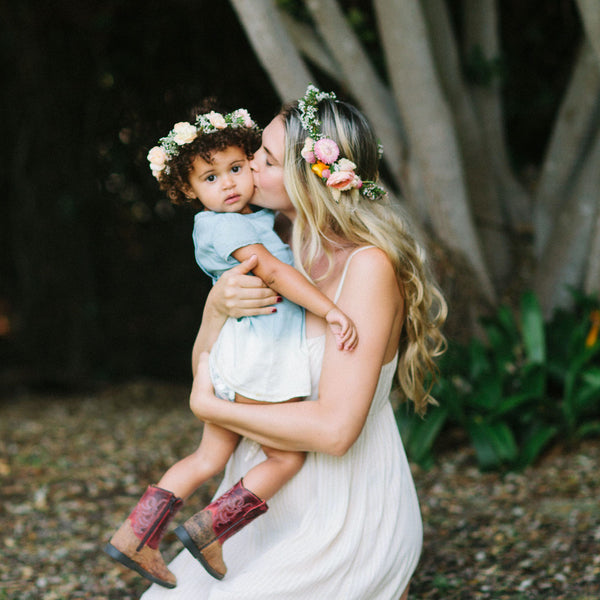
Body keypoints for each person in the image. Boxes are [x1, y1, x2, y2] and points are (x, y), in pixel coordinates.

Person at [140, 85, 447, 600]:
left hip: (340, 514)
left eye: (265, 159)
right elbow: (214, 366)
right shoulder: (274, 252)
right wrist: (215, 310)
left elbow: (333, 431)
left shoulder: (366, 266)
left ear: (311, 178)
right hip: (247, 511)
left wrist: (208, 405)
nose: (249, 168)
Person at [104, 104, 358, 589]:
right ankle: (211, 530)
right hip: (260, 356)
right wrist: (329, 309)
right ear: (187, 190)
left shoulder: (243, 217)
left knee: (207, 458)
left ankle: (137, 534)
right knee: (285, 458)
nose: (228, 184)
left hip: (235, 355)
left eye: (237, 168)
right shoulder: (227, 226)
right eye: (210, 178)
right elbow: (276, 273)